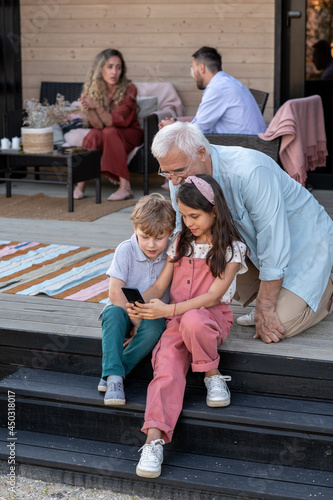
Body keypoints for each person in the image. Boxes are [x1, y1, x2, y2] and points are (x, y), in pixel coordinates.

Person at [151, 121, 333, 344]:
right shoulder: (179, 176)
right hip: (253, 248)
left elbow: (274, 241)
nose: (175, 181)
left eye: (179, 171)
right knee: (207, 259)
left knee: (281, 324)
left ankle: (326, 286)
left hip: (306, 245)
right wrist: (155, 300)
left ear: (201, 153)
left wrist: (265, 308)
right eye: (166, 173)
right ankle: (280, 293)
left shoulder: (250, 172)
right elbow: (182, 238)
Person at [127, 174, 247, 478]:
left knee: (193, 319)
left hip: (211, 318)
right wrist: (138, 306)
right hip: (175, 321)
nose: (188, 221)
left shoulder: (232, 248)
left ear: (214, 211)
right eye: (183, 215)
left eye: (194, 215)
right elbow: (160, 286)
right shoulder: (180, 242)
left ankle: (212, 374)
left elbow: (213, 296)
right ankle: (153, 441)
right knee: (166, 366)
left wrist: (170, 308)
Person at [97, 194, 176, 405]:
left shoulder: (171, 254)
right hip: (122, 312)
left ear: (170, 233)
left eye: (159, 238)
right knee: (112, 313)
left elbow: (158, 289)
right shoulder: (126, 250)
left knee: (154, 327)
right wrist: (134, 322)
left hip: (151, 317)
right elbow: (115, 293)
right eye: (145, 237)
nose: (151, 244)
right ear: (135, 230)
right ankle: (114, 378)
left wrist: (141, 322)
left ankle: (114, 373)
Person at [74, 48, 143, 201]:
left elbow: (112, 121)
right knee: (94, 134)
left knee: (109, 131)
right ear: (101, 69)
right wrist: (90, 107)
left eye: (118, 68)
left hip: (130, 133)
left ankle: (125, 187)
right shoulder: (95, 90)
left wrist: (97, 106)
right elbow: (98, 126)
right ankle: (80, 184)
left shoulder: (130, 89)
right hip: (109, 132)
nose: (114, 72)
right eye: (110, 67)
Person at [159, 46, 266, 135]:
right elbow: (201, 121)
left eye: (193, 69)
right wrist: (177, 123)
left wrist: (173, 127)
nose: (192, 76)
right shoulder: (226, 82)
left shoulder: (218, 88)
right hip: (248, 143)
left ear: (201, 68)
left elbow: (198, 129)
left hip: (241, 148)